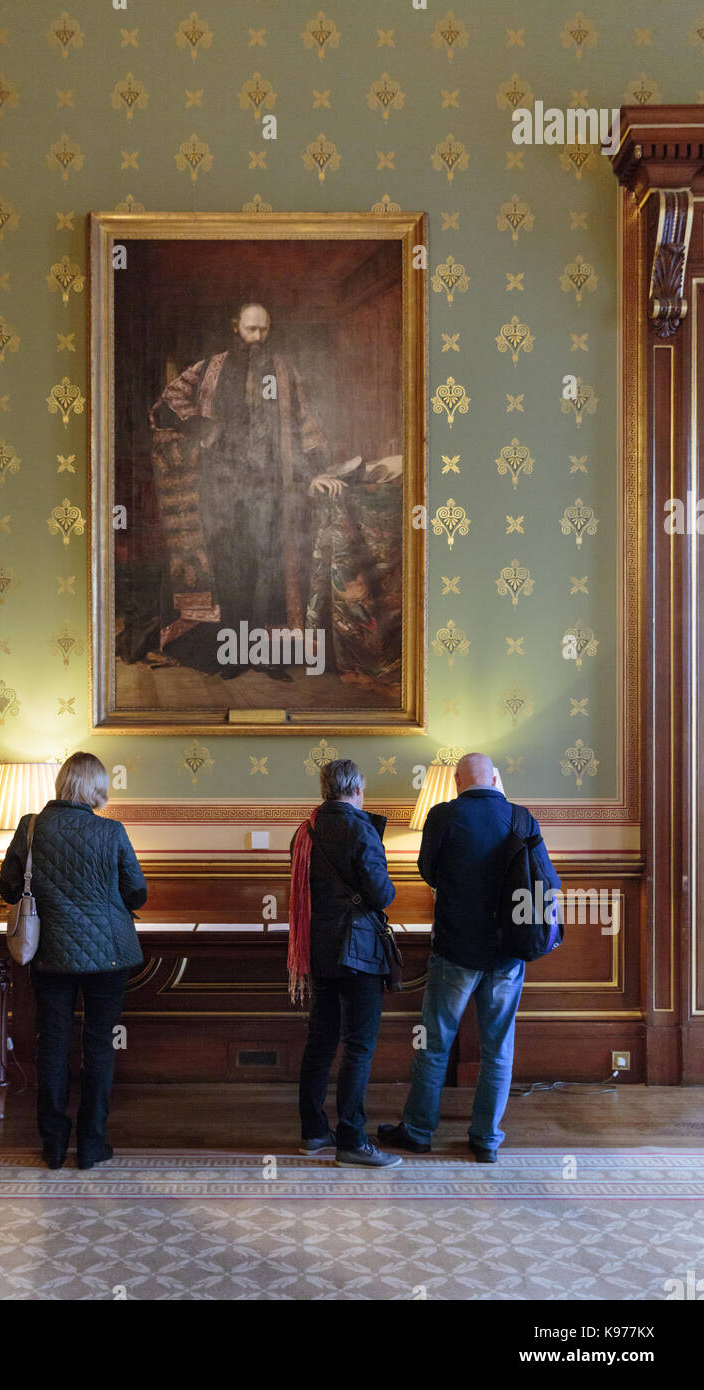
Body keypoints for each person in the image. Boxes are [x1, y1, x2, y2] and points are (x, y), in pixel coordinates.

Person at [378, 751, 560, 1163]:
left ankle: (420, 1131)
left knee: (434, 1044)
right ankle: (486, 1140)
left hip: (456, 950)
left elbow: (428, 871)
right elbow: (547, 878)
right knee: (498, 1048)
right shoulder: (521, 817)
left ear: (458, 781)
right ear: (496, 778)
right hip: (507, 954)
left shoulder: (443, 815)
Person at [146, 302, 343, 677]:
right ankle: (234, 653)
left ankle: (266, 654)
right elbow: (169, 399)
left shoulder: (285, 372)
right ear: (236, 327)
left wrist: (316, 472)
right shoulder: (210, 368)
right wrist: (201, 426)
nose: (257, 338)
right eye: (251, 329)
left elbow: (306, 424)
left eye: (263, 330)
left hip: (270, 487)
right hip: (220, 486)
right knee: (231, 568)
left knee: (267, 569)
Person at [0, 752, 147, 1171]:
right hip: (109, 956)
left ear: (63, 784)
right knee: (100, 1047)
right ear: (95, 788)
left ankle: (52, 1145)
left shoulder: (30, 828)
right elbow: (138, 893)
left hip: (50, 955)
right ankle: (92, 1144)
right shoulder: (112, 831)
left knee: (54, 1045)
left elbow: (9, 889)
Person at [289, 758, 402, 1167]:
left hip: (318, 948)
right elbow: (381, 894)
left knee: (320, 1042)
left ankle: (314, 1131)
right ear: (357, 788)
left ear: (325, 788)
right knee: (358, 1046)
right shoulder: (362, 829)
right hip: (360, 952)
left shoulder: (306, 832)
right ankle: (352, 1140)